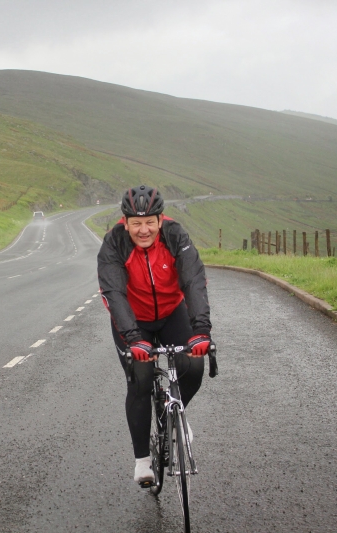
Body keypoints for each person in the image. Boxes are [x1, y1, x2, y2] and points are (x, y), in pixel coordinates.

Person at [97, 185, 212, 485]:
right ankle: (142, 461)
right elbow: (113, 292)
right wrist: (134, 338)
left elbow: (193, 280)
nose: (143, 230)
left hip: (173, 311)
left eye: (150, 222)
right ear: (125, 222)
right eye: (136, 223)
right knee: (141, 378)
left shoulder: (176, 236)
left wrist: (201, 330)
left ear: (161, 220)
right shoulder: (114, 243)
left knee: (193, 366)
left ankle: (175, 412)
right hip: (134, 319)